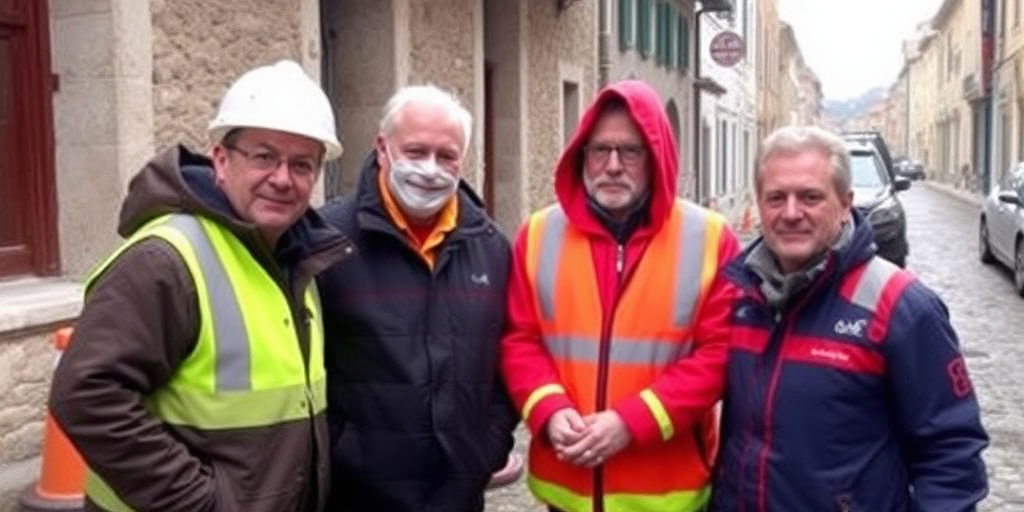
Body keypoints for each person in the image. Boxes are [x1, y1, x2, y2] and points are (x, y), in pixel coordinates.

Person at [49, 60, 350, 512]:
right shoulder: (165, 260)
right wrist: (201, 502)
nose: (282, 178)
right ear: (221, 160)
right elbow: (86, 395)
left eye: (302, 164)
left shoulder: (295, 259)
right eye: (264, 156)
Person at [708, 125, 989, 511]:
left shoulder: (901, 307)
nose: (791, 213)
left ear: (845, 204)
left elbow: (951, 452)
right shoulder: (738, 297)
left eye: (810, 197)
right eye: (776, 198)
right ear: (759, 204)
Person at [499, 79, 740, 512]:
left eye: (631, 151)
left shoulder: (710, 238)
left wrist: (632, 422)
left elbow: (720, 355)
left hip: (668, 495)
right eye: (599, 150)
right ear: (581, 155)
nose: (612, 165)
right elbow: (519, 339)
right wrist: (548, 408)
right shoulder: (537, 234)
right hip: (566, 489)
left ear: (657, 157)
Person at [317, 84, 519, 512]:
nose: (430, 169)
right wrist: (341, 451)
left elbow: (509, 357)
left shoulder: (492, 247)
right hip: (356, 498)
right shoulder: (326, 243)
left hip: (458, 497)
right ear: (382, 148)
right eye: (415, 151)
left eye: (446, 156)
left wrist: (488, 447)